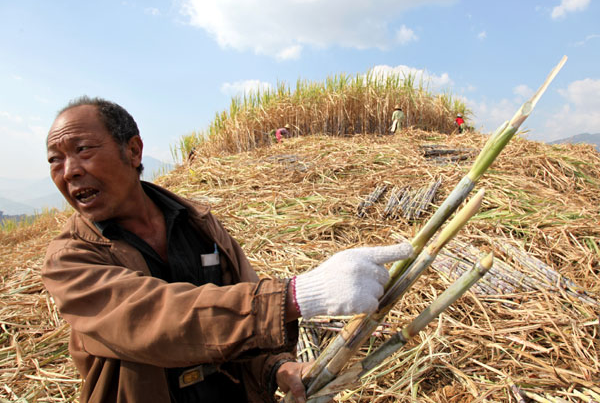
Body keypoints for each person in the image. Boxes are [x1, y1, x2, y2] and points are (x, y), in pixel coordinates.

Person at [42, 96, 413, 403]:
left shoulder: (198, 224)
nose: (69, 171)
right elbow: (156, 318)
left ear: (134, 150)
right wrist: (296, 295)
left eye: (83, 150)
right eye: (55, 160)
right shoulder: (70, 261)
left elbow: (244, 316)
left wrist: (277, 369)